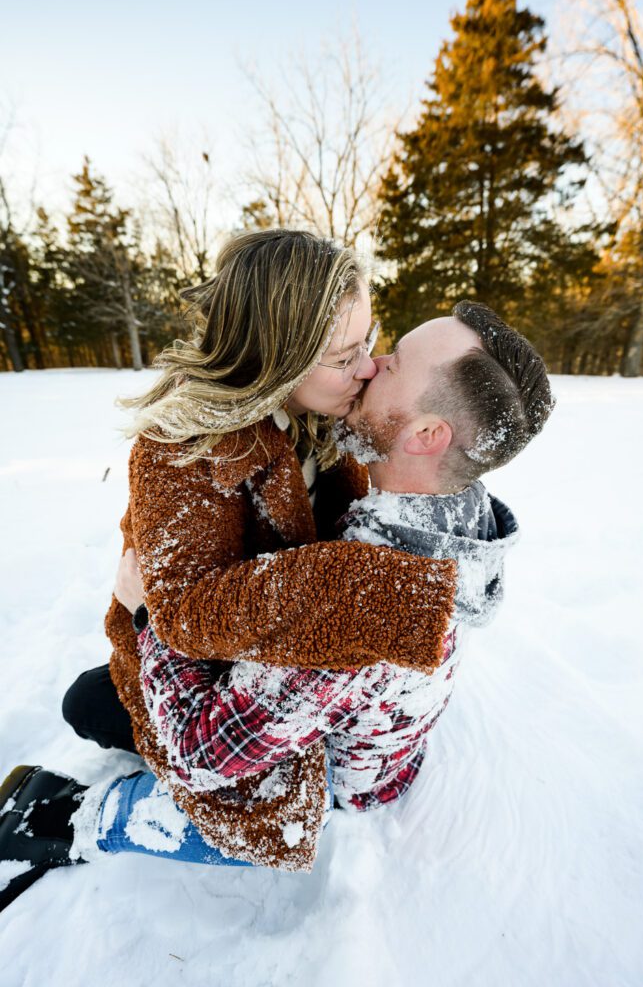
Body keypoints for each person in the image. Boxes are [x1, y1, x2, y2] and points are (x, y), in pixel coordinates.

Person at [0, 298, 554, 911]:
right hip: (380, 740)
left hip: (322, 778)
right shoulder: (452, 498)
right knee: (97, 697)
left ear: (426, 434)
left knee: (91, 705)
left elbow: (203, 752)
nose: (370, 366)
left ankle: (78, 820)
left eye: (392, 365)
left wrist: (146, 616)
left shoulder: (369, 603)